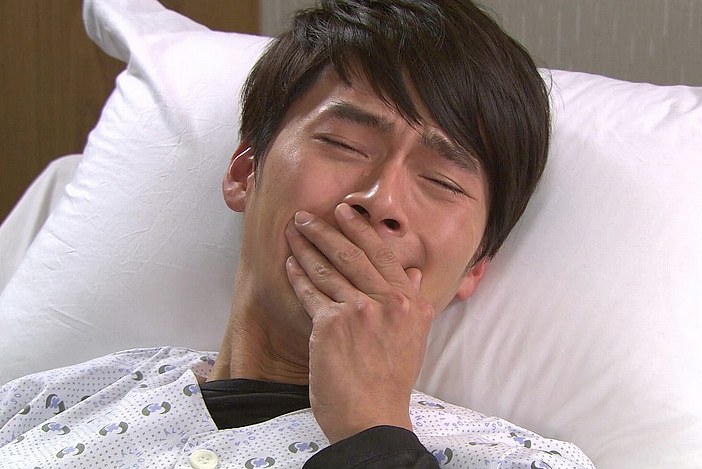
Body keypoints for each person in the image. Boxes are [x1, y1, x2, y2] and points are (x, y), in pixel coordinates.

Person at [0, 1, 595, 467]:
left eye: (441, 180)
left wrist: (373, 434)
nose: (382, 200)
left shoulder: (520, 461)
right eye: (343, 143)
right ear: (246, 173)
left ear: (475, 266)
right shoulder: (48, 404)